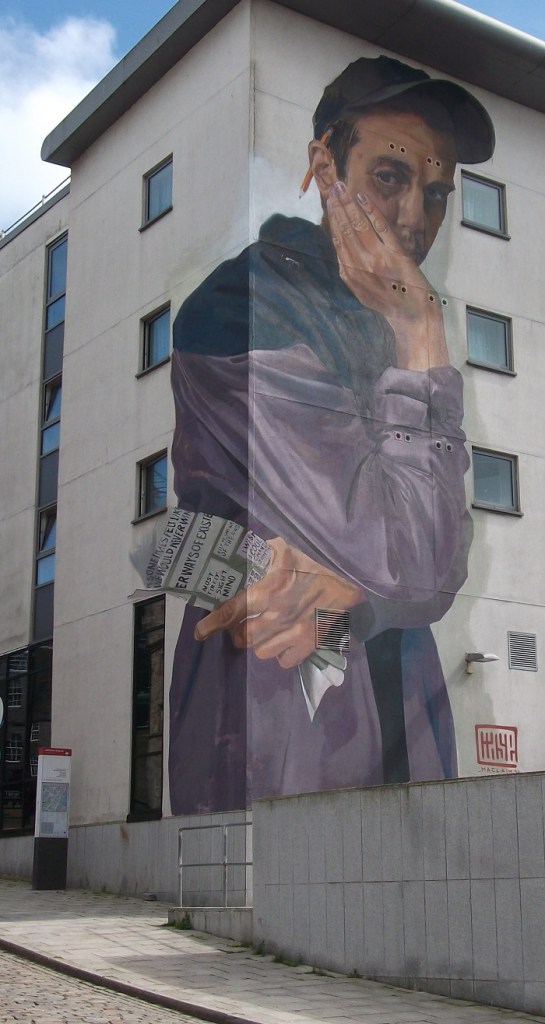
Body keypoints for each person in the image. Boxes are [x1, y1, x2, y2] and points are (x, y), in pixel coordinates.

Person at [168, 55, 495, 813]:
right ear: (324, 168)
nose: (413, 217)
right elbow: (411, 568)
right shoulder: (242, 309)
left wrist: (375, 593)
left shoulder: (384, 315)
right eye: (389, 176)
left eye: (435, 193)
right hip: (279, 716)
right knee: (283, 888)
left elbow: (435, 566)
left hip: (399, 718)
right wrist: (421, 336)